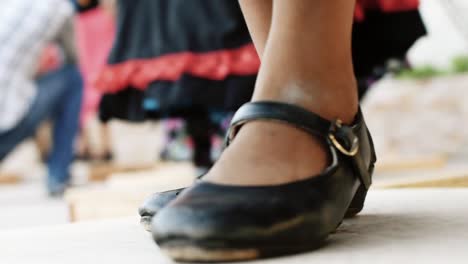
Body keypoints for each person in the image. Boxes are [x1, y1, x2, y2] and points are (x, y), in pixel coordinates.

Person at [0, 0, 83, 196]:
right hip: (6, 125)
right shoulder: (61, 8)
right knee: (73, 78)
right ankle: (58, 176)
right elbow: (73, 57)